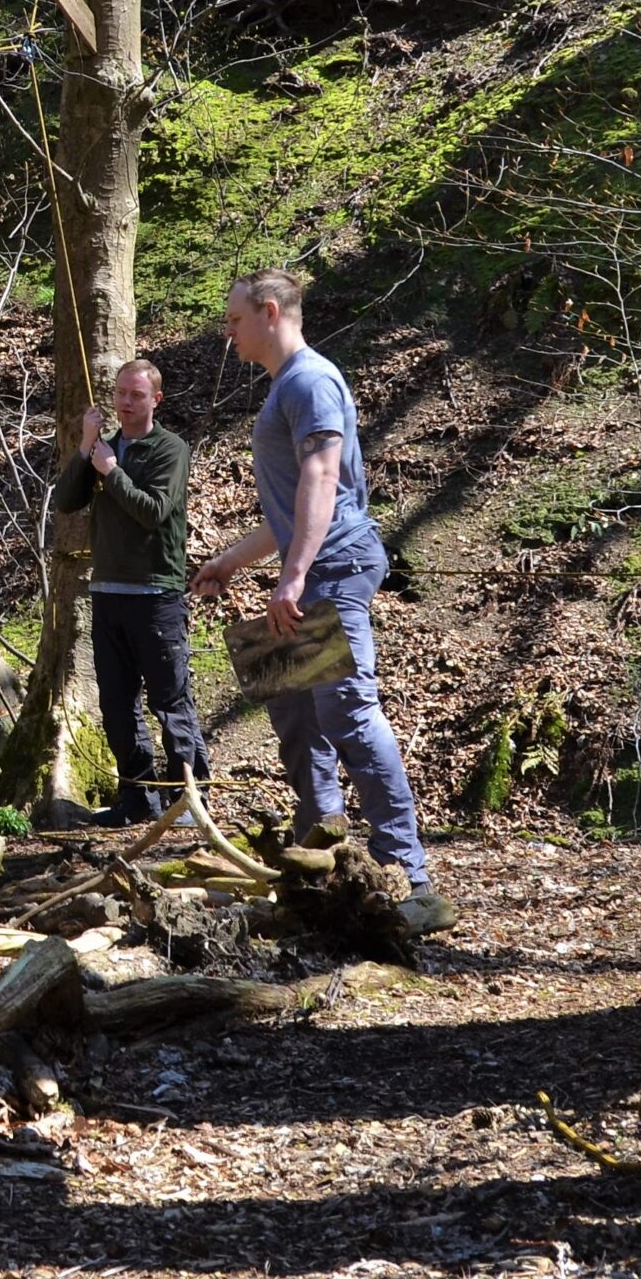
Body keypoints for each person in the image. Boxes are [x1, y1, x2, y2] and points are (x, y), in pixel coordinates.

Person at [190, 269, 453, 932]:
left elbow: (322, 476)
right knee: (295, 714)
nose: (229, 332)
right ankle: (318, 864)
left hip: (336, 566)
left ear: (270, 312)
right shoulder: (287, 386)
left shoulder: (310, 381)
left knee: (348, 714)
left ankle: (413, 880)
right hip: (313, 566)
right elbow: (290, 508)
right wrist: (231, 561)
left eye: (235, 320)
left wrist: (294, 576)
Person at [51, 358, 207, 827]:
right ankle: (137, 800)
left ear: (155, 400)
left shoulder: (170, 449)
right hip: (107, 593)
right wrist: (85, 447)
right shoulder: (104, 447)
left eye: (136, 395)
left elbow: (153, 511)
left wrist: (113, 472)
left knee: (169, 700)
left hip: (157, 594)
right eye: (121, 393)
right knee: (117, 704)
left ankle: (190, 798)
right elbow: (66, 501)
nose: (126, 402)